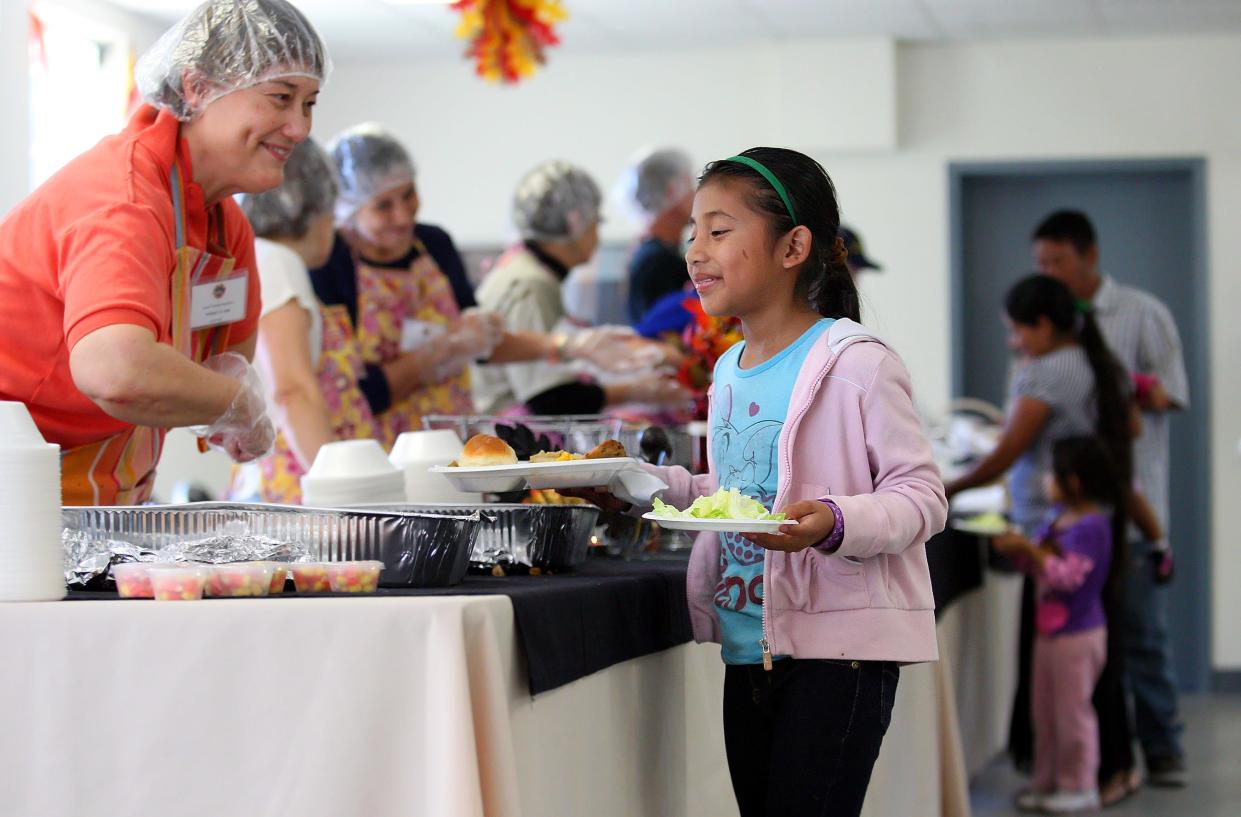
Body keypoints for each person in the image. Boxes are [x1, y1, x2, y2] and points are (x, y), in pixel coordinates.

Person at [571, 147, 946, 817]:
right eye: (691, 232)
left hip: (839, 654)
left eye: (718, 230)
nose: (694, 251)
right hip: (749, 649)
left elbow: (920, 495)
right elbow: (731, 494)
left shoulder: (856, 363)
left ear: (793, 246)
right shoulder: (728, 370)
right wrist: (628, 483)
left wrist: (832, 521)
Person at [0, 0, 328, 505]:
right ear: (198, 87)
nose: (300, 129)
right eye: (281, 97)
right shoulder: (121, 198)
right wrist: (236, 403)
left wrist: (232, 403)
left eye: (308, 103)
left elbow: (221, 369)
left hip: (101, 499)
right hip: (17, 488)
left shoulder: (226, 227)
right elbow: (116, 371)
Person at [945, 274, 1158, 805]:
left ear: (1042, 325)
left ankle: (1082, 778)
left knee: (1067, 678)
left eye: (1018, 330)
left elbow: (1010, 450)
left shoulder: (1049, 370)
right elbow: (1128, 429)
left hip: (1056, 535)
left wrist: (945, 486)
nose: (1015, 342)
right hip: (1096, 526)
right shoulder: (1097, 363)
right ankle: (1097, 771)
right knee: (1096, 664)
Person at [1032, 209, 1189, 787]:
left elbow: (1174, 395)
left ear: (1090, 256)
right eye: (1042, 263)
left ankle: (1163, 747)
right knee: (1088, 650)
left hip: (1126, 503)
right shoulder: (1046, 327)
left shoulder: (1142, 314)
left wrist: (1130, 392)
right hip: (1068, 513)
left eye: (1059, 262)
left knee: (1142, 636)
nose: (1050, 272)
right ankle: (1097, 765)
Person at [473, 160, 688, 415]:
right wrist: (641, 391)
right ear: (575, 222)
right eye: (596, 222)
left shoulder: (526, 270)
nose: (598, 236)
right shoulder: (531, 284)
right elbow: (549, 399)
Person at [228, 139, 377, 503]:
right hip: (297, 483)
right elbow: (291, 392)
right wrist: (342, 493)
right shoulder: (278, 262)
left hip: (278, 474)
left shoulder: (258, 256)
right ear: (316, 209)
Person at [993, 436, 1124, 814]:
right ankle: (1046, 780)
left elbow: (1069, 578)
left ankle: (1080, 784)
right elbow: (1040, 565)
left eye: (1054, 473)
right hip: (1050, 634)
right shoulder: (1055, 519)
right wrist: (1020, 553)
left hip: (1079, 636)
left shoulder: (1093, 527)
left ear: (1075, 480)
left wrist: (1031, 551)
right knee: (1044, 711)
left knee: (1072, 714)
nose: (1046, 480)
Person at [617, 147, 695, 325]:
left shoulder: (657, 252)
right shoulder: (656, 262)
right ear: (671, 191)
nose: (696, 194)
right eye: (689, 185)